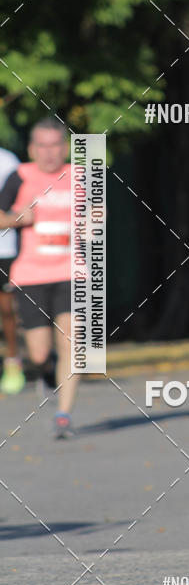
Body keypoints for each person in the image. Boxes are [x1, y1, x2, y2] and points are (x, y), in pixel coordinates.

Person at [0, 118, 78, 437]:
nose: (49, 153)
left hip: (72, 272)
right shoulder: (20, 176)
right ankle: (45, 368)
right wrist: (20, 218)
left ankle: (63, 414)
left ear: (66, 148)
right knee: (39, 352)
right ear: (32, 149)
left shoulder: (81, 176)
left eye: (55, 145)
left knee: (73, 344)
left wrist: (93, 220)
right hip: (30, 273)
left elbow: (100, 213)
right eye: (42, 146)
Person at [0, 146, 26, 393]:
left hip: (4, 248)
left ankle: (13, 360)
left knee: (7, 309)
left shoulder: (7, 161)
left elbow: (20, 203)